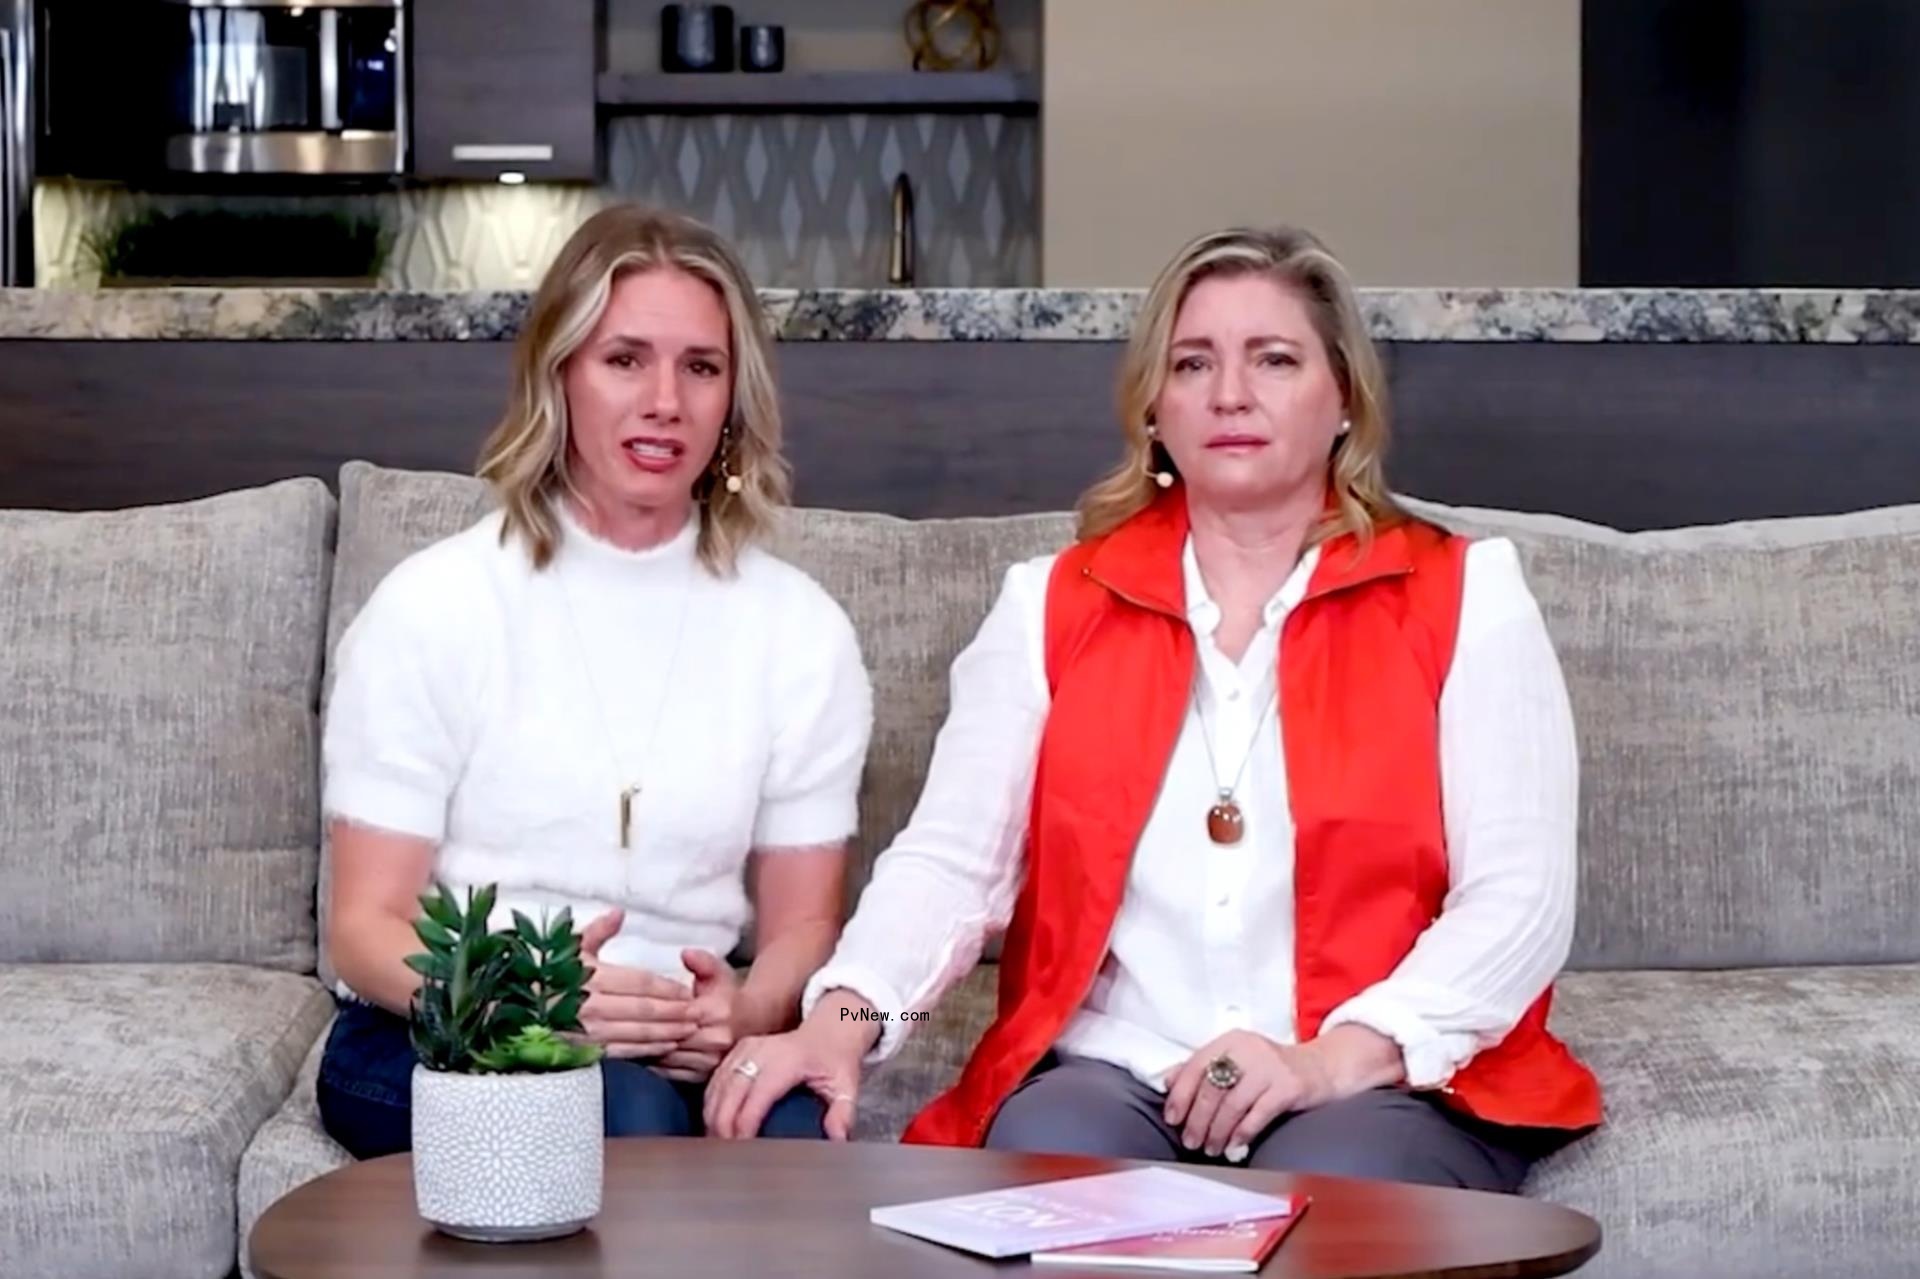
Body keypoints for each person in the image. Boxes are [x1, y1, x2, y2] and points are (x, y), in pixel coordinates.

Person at [702, 225, 1602, 1189]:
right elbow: (953, 870)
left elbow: (1520, 898)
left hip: (1368, 1080)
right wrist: (841, 1028)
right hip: (1115, 1071)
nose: (1230, 393)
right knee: (1052, 1181)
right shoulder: (1050, 605)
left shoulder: (1466, 594)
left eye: (1275, 359)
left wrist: (1328, 1058)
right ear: (1154, 409)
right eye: (1193, 363)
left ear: (1343, 397)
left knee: (1338, 1198)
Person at [316, 205, 872, 1156]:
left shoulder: (801, 631)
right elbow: (364, 925)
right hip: (443, 1024)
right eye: (625, 359)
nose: (666, 401)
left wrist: (746, 1009)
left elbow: (805, 919)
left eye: (701, 367)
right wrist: (530, 1001)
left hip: (676, 1035)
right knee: (625, 1119)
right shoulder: (437, 605)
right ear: (560, 374)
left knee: (788, 1131)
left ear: (733, 398)